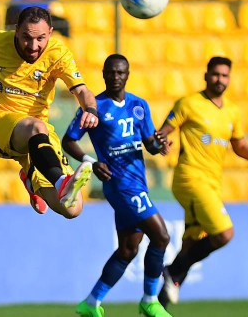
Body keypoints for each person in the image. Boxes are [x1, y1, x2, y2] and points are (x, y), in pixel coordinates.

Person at [0, 6, 98, 218]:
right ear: (16, 30)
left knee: (72, 209)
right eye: (27, 37)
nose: (33, 46)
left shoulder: (58, 53)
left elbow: (82, 90)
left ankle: (31, 178)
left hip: (38, 138)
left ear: (51, 33)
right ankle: (60, 180)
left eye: (41, 39)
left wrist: (90, 109)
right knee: (36, 126)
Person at [156, 57, 248, 309]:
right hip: (190, 178)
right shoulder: (189, 104)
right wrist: (161, 142)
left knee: (190, 243)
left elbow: (240, 147)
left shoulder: (232, 111)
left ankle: (158, 304)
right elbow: (162, 132)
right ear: (206, 76)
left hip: (212, 183)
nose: (219, 80)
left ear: (229, 79)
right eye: (215, 75)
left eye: (224, 76)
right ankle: (173, 271)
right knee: (224, 233)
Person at [62, 54, 173, 317]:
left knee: (127, 249)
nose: (115, 77)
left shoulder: (139, 105)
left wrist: (159, 143)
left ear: (127, 74)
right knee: (161, 236)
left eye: (120, 73)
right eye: (110, 73)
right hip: (119, 184)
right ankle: (150, 299)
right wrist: (91, 161)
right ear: (103, 74)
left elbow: (150, 144)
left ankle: (91, 303)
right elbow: (68, 141)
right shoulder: (94, 107)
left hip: (138, 183)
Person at [5, 0, 70, 37]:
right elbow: (15, 1)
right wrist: (34, 7)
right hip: (25, 15)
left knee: (63, 23)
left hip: (42, 15)